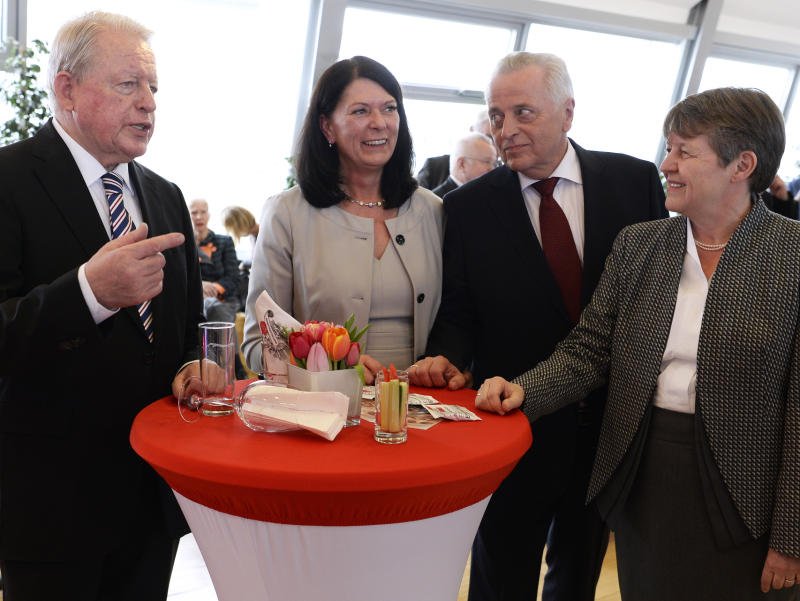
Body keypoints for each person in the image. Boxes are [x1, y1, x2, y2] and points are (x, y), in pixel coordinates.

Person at [476, 87, 800, 601]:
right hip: (644, 474)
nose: (665, 165)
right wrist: (525, 390)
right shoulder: (641, 245)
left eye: (684, 152)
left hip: (748, 493)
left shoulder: (791, 256)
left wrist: (791, 536)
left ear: (742, 165)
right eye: (668, 148)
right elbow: (590, 349)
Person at [410, 52, 667, 601]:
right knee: (500, 577)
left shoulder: (634, 183)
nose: (506, 130)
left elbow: (656, 297)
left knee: (578, 576)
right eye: (496, 116)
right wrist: (447, 357)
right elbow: (459, 312)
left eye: (523, 112)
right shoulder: (468, 208)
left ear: (567, 111)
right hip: (512, 423)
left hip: (608, 425)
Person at [0, 11, 205, 601]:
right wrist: (89, 293)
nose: (149, 104)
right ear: (66, 89)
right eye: (128, 84)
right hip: (50, 508)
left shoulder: (165, 196)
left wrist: (194, 365)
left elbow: (187, 327)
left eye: (153, 88)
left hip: (149, 502)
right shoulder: (8, 180)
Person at [242, 56, 443, 384]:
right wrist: (331, 364)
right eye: (360, 111)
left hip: (421, 403)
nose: (379, 122)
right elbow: (258, 344)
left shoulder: (432, 210)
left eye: (389, 108)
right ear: (327, 126)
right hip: (322, 406)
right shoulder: (286, 213)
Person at [189, 198, 241, 320]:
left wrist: (212, 289)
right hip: (192, 297)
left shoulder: (224, 242)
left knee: (212, 307)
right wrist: (200, 286)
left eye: (203, 212)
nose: (199, 217)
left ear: (208, 215)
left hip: (223, 300)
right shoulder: (184, 245)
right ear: (188, 215)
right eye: (194, 213)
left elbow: (233, 277)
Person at [417, 109, 492, 190]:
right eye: (487, 137)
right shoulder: (434, 167)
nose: (492, 144)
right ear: (471, 130)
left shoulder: (498, 171)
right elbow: (418, 197)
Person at [432, 132, 498, 198]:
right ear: (462, 164)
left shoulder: (487, 194)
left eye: (494, 163)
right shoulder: (436, 200)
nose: (493, 169)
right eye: (487, 161)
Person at [222, 205, 260, 309]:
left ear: (239, 225)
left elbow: (261, 260)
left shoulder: (264, 234)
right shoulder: (254, 235)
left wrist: (244, 264)